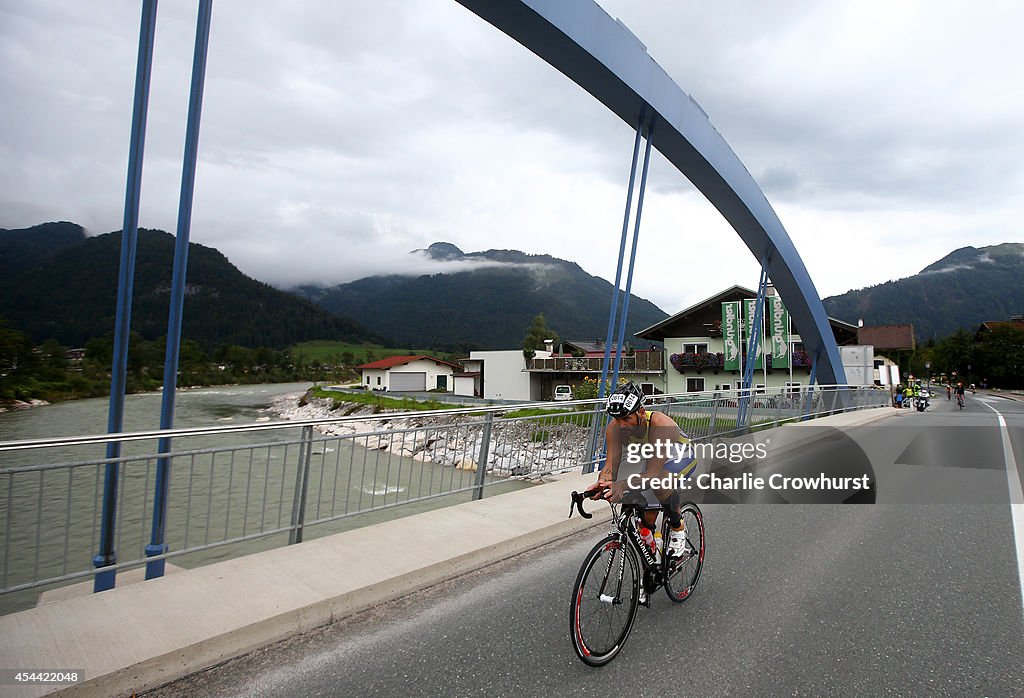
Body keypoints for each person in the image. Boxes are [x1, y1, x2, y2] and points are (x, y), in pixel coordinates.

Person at [591, 383, 698, 600]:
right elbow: (611, 465)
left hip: (679, 455)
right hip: (650, 458)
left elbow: (653, 473)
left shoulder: (660, 423)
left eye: (626, 419)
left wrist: (622, 485)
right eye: (617, 419)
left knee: (658, 483)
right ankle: (652, 559)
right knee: (640, 514)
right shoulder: (615, 428)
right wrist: (602, 483)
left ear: (641, 411)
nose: (621, 425)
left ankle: (677, 527)